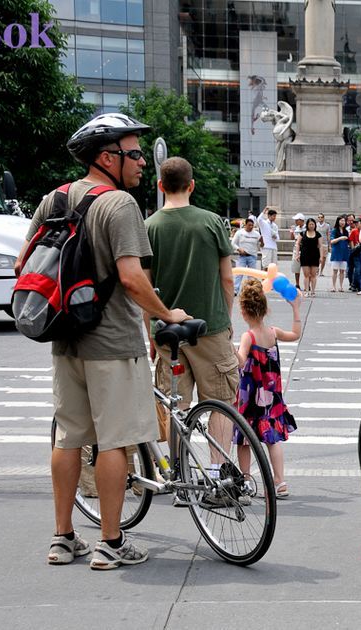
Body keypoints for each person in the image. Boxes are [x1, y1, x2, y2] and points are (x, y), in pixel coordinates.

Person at [19, 113, 190, 570]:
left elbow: (24, 266)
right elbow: (133, 280)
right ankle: (111, 542)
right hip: (113, 344)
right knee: (116, 443)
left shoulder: (53, 198)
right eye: (133, 154)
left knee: (69, 439)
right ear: (106, 157)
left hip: (64, 341)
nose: (140, 163)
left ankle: (62, 538)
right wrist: (166, 312)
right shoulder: (120, 206)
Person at [143, 156, 238, 462]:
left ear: (161, 185)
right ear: (192, 185)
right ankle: (217, 473)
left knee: (177, 406)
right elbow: (227, 278)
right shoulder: (211, 222)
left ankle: (181, 475)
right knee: (220, 402)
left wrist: (151, 336)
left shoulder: (149, 227)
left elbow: (146, 289)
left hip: (167, 332)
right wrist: (226, 319)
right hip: (210, 327)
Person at [235, 278, 301, 499]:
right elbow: (295, 335)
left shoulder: (248, 337)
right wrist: (296, 309)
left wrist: (228, 345)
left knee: (244, 440)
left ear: (243, 310)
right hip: (271, 396)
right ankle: (279, 481)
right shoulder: (273, 332)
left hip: (251, 397)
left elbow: (241, 362)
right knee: (272, 439)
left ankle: (245, 481)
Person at [231, 218, 261, 294]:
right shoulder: (240, 233)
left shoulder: (256, 234)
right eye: (249, 225)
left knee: (251, 275)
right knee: (239, 274)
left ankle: (250, 290)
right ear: (245, 225)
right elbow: (233, 243)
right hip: (242, 256)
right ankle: (235, 290)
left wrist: (262, 242)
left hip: (252, 256)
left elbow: (260, 245)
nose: (251, 227)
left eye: (252, 225)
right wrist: (239, 249)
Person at [298, 217, 322, 296]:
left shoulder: (318, 234)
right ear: (307, 225)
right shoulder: (303, 234)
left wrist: (321, 257)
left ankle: (313, 291)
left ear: (315, 225)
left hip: (315, 256)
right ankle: (306, 291)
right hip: (305, 256)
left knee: (313, 275)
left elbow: (320, 246)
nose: (311, 226)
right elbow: (298, 244)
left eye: (313, 224)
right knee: (306, 275)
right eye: (310, 224)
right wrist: (297, 254)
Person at [330, 215, 351, 292]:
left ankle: (341, 286)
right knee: (335, 270)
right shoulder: (334, 230)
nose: (342, 222)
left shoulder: (346, 231)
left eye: (344, 221)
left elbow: (348, 242)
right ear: (338, 221)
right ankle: (333, 286)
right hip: (336, 252)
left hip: (344, 252)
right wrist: (340, 238)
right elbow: (331, 241)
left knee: (342, 271)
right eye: (341, 220)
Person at [348, 216, 361, 292]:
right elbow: (351, 241)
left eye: (358, 222)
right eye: (355, 223)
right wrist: (353, 249)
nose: (356, 224)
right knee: (357, 269)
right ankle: (354, 284)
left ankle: (357, 284)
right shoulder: (354, 231)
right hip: (356, 252)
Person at [291, 213, 305, 286]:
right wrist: (291, 232)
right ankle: (297, 284)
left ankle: (307, 284)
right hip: (296, 250)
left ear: (301, 220)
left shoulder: (306, 228)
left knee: (306, 268)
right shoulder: (296, 228)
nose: (295, 221)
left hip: (305, 250)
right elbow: (293, 239)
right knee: (296, 268)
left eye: (297, 220)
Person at [316, 212, 330, 277]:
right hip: (318, 243)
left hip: (325, 243)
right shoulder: (316, 225)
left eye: (321, 217)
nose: (320, 218)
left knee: (324, 258)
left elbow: (328, 235)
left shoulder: (327, 225)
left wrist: (329, 245)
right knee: (318, 257)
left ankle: (321, 271)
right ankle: (317, 269)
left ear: (323, 218)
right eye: (319, 217)